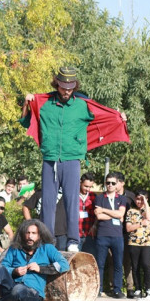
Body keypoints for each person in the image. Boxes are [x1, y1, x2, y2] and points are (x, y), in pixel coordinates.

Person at [20, 67, 129, 258]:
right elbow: (24, 121)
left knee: (72, 201)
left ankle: (73, 241)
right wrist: (26, 103)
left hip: (72, 159)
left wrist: (118, 117)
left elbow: (104, 115)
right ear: (57, 85)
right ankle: (47, 241)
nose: (67, 91)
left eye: (70, 87)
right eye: (63, 87)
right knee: (47, 202)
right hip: (50, 159)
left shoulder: (82, 105)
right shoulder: (44, 102)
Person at [0, 219, 69, 301]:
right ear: (22, 235)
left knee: (18, 290)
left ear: (39, 235)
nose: (30, 236)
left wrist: (40, 268)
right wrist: (14, 271)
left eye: (33, 233)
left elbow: (64, 264)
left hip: (33, 295)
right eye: (27, 233)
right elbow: (4, 266)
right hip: (11, 288)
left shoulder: (47, 248)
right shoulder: (14, 248)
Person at [94, 172, 128, 298]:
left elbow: (121, 214)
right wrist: (114, 214)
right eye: (107, 183)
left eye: (113, 183)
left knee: (118, 264)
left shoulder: (122, 198)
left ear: (117, 184)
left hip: (117, 236)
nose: (110, 185)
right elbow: (99, 215)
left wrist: (104, 210)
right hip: (103, 235)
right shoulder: (99, 198)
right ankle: (98, 289)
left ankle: (117, 289)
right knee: (100, 264)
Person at [125, 190, 150, 297]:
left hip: (147, 243)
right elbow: (128, 228)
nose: (139, 201)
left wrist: (145, 203)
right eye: (137, 199)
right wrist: (141, 223)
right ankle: (138, 288)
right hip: (134, 243)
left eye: (142, 199)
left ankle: (148, 289)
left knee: (146, 265)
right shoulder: (130, 211)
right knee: (135, 266)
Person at [115, 172, 137, 298]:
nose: (113, 184)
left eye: (116, 182)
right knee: (114, 261)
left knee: (128, 262)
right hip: (114, 231)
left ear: (122, 183)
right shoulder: (110, 196)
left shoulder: (130, 196)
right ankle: (113, 287)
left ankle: (130, 288)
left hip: (127, 232)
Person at [78, 172, 96, 254]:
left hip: (89, 234)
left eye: (90, 187)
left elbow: (97, 214)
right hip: (75, 234)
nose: (88, 189)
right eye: (86, 186)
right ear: (80, 182)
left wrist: (94, 225)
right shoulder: (73, 195)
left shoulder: (94, 196)